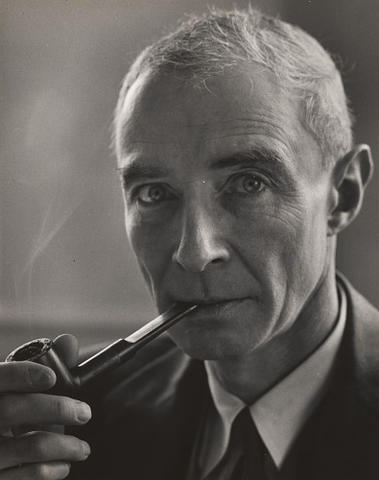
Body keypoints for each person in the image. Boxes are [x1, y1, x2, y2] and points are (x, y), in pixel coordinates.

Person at [1, 7, 378, 480]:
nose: (194, 253)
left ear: (343, 194)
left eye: (248, 184)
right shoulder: (72, 427)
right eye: (154, 193)